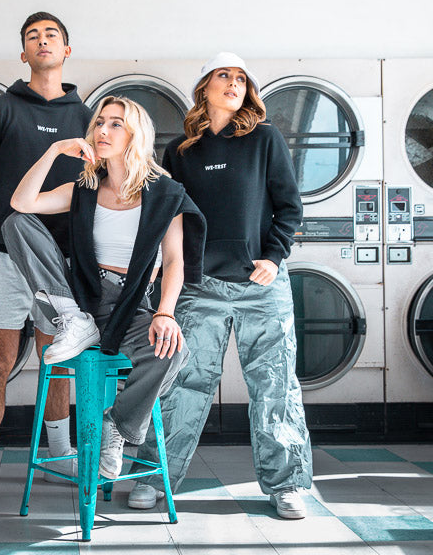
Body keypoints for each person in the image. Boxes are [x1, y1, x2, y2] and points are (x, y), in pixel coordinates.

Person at [129, 52, 313, 519]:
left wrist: (274, 256)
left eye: (240, 78)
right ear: (205, 88)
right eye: (223, 76)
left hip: (262, 284)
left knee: (274, 386)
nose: (233, 83)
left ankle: (287, 485)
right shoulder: (182, 152)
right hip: (200, 284)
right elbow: (172, 217)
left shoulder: (265, 139)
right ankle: (154, 476)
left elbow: (289, 207)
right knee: (181, 385)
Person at [1, 95, 205, 480]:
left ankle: (117, 426)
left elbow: (175, 261)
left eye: (116, 124)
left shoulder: (165, 193)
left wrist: (165, 312)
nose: (103, 131)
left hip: (131, 303)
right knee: (15, 223)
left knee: (172, 353)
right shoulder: (84, 187)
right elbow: (21, 202)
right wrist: (55, 149)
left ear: (135, 135)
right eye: (99, 123)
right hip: (81, 295)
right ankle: (72, 318)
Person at [0, 12, 93, 524]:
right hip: (2, 257)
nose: (42, 41)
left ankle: (59, 454)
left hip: (64, 261)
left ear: (67, 49)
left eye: (51, 34)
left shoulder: (89, 116)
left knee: (58, 359)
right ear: (23, 53)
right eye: (32, 36)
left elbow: (100, 189)